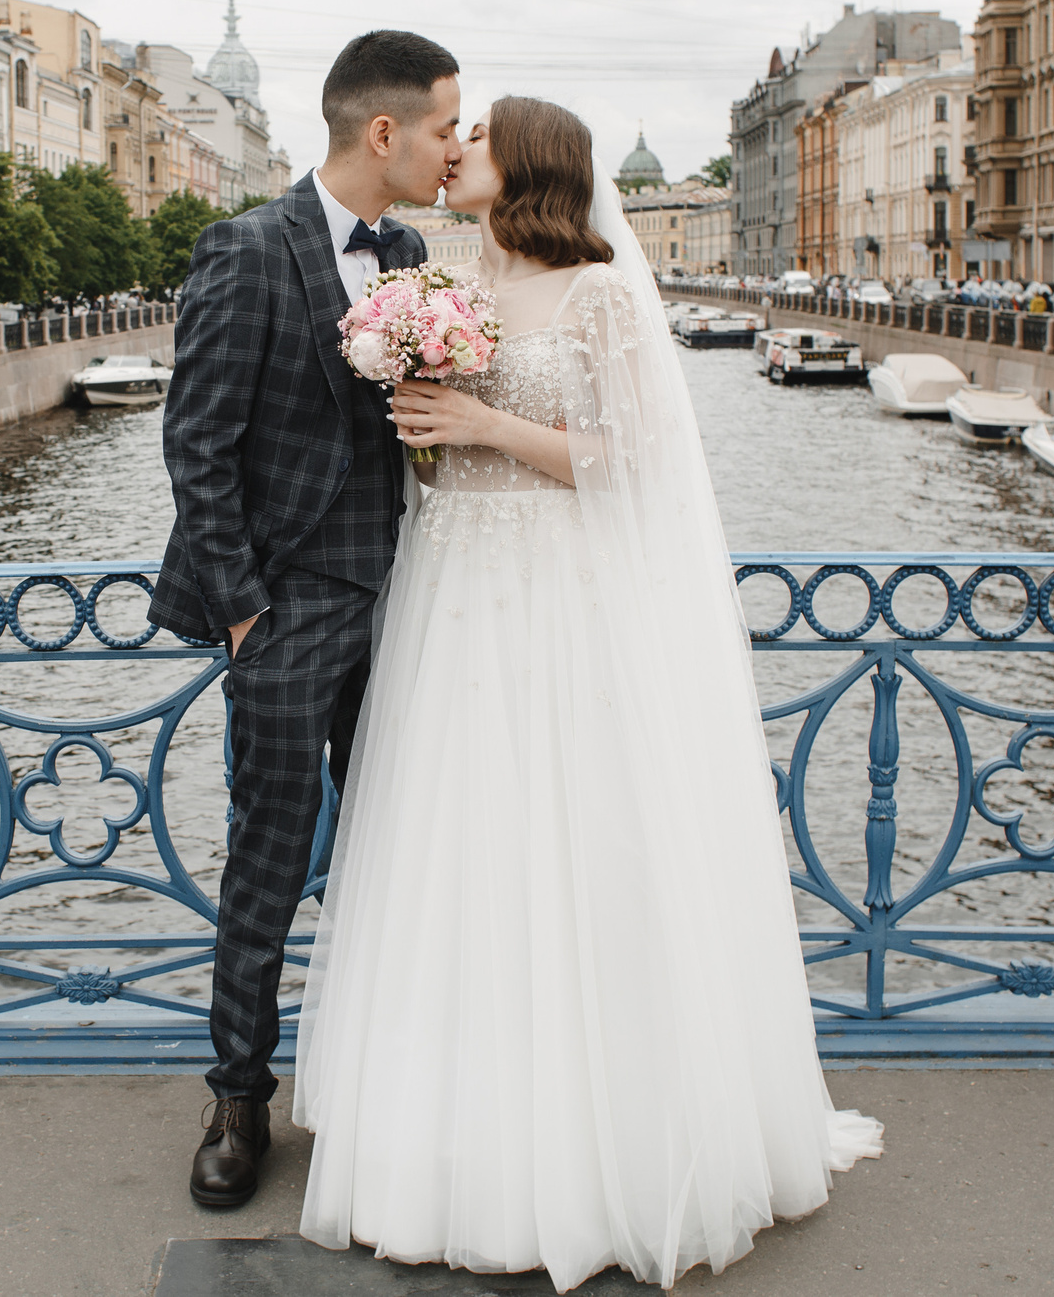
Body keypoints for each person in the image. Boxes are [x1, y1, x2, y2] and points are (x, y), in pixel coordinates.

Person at [297, 98, 881, 1291]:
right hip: (451, 596)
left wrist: (477, 419)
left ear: (530, 165)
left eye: (476, 136)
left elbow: (634, 462)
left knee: (577, 843)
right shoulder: (440, 285)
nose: (453, 149)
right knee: (458, 850)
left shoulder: (602, 294)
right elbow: (434, 454)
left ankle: (600, 1145)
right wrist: (425, 427)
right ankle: (453, 1146)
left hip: (560, 600)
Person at [153, 30, 458, 1211]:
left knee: (400, 855)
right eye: (441, 127)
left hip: (409, 607)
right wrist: (243, 614)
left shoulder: (411, 252)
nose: (450, 150)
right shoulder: (244, 247)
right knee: (270, 862)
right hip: (288, 612)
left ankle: (385, 1086)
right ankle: (238, 1102)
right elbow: (197, 445)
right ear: (383, 132)